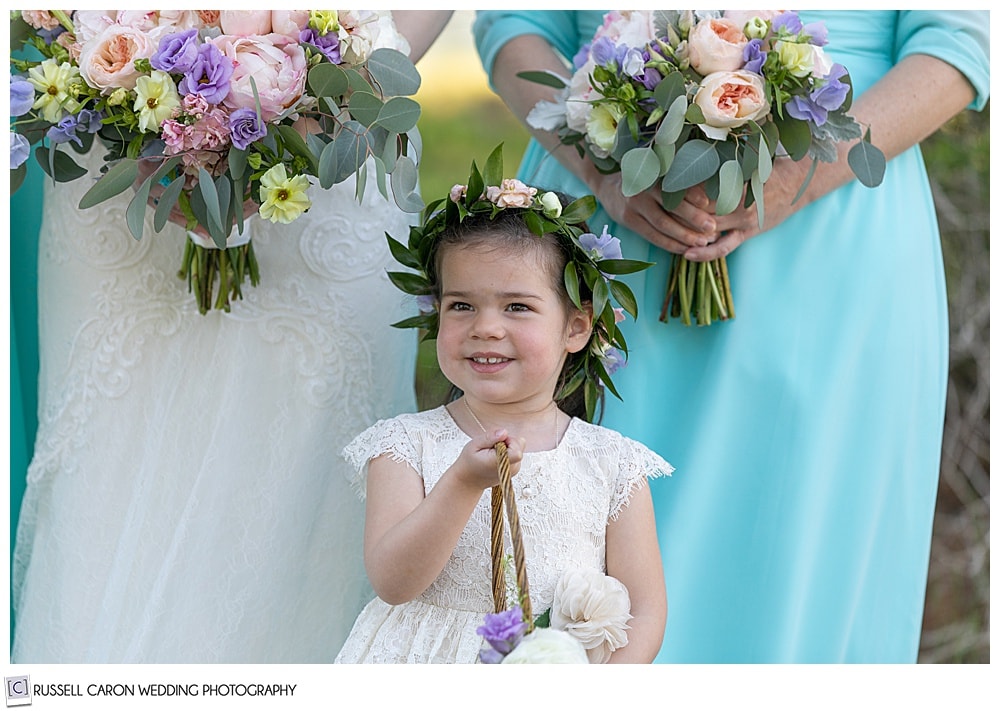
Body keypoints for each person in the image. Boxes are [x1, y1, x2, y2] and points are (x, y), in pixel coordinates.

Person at [474, 10, 990, 662]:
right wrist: (602, 172)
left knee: (788, 572)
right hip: (600, 240)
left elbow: (958, 44)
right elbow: (513, 26)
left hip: (828, 246)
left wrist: (788, 184)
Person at [10, 9, 453, 663]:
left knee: (311, 440)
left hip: (335, 119)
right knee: (114, 439)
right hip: (114, 121)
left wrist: (315, 102)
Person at [333, 157, 670, 663]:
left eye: (517, 307)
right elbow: (393, 582)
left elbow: (645, 610)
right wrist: (463, 483)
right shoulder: (404, 445)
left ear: (576, 328)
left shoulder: (612, 464)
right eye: (462, 306)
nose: (486, 327)